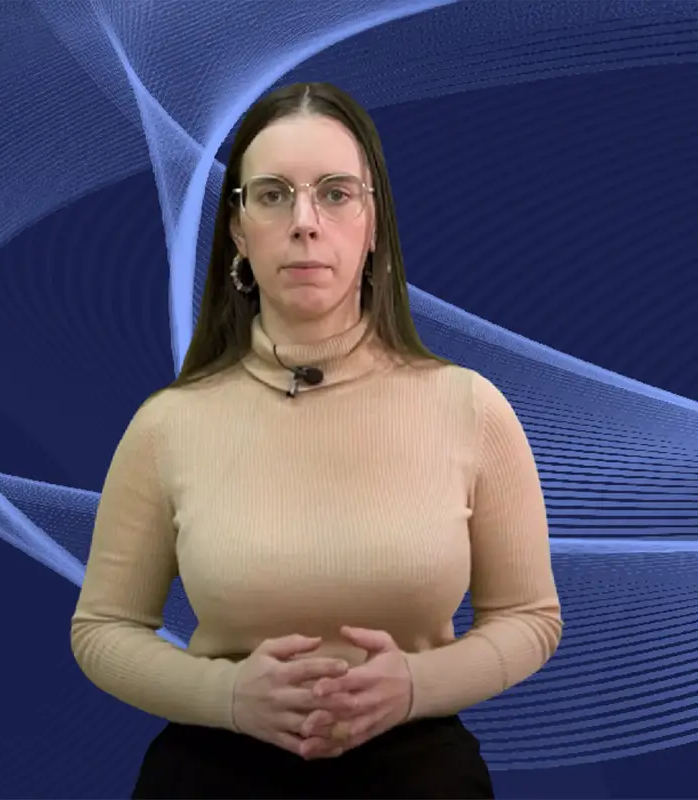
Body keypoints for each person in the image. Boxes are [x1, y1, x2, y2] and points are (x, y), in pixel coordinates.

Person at [71, 81, 563, 799]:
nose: (304, 222)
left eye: (335, 193)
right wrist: (226, 696)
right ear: (238, 230)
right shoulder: (168, 423)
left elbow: (529, 618)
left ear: (374, 223)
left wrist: (416, 684)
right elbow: (103, 628)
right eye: (273, 195)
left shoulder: (470, 408)